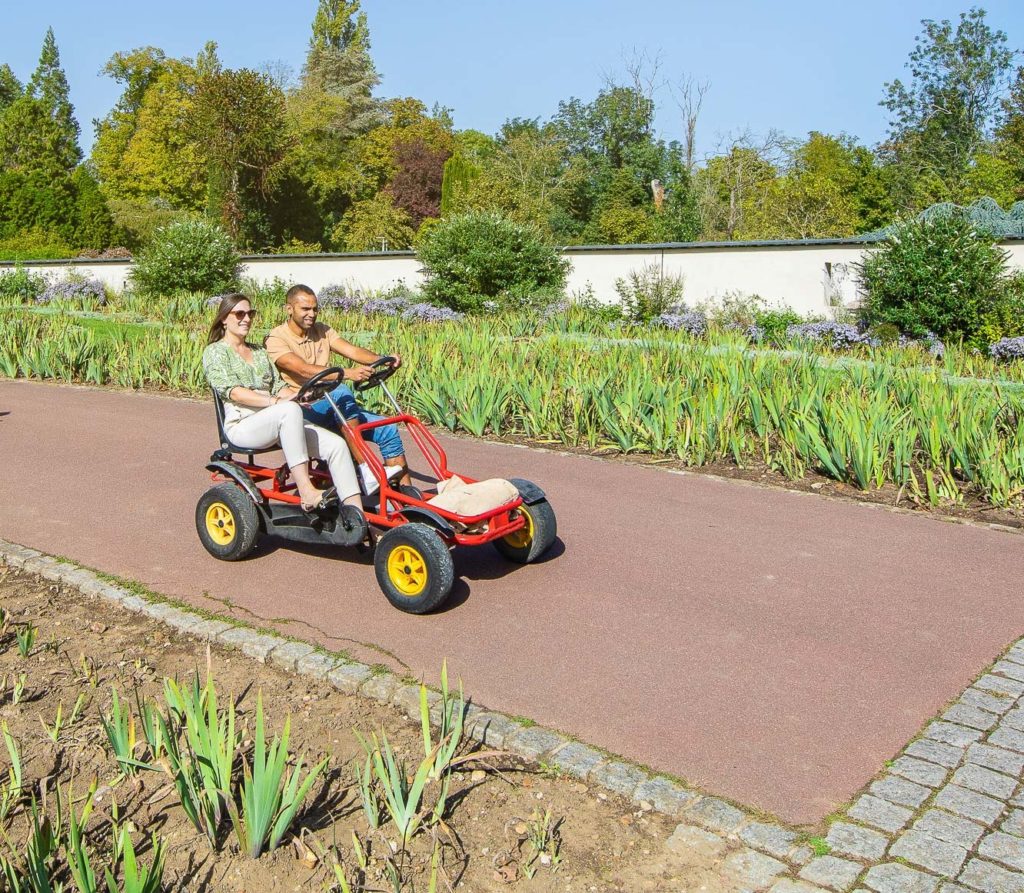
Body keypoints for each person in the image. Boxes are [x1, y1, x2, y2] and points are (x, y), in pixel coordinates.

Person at [202, 293, 366, 539]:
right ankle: (307, 492)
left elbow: (280, 387)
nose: (246, 319)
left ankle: (357, 519)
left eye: (250, 314)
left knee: (336, 445)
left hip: (275, 419)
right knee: (288, 411)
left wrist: (303, 395)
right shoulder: (215, 352)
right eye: (239, 314)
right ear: (224, 319)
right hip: (242, 424)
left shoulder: (258, 352)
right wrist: (277, 402)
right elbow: (234, 393)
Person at [264, 284, 411, 489]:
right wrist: (348, 373)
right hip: (303, 408)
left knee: (387, 428)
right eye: (305, 309)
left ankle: (405, 498)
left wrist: (382, 359)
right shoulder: (276, 338)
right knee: (341, 392)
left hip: (333, 405)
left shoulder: (322, 330)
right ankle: (366, 469)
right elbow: (303, 369)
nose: (312, 314)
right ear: (289, 309)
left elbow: (351, 350)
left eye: (315, 309)